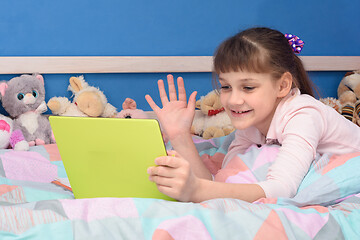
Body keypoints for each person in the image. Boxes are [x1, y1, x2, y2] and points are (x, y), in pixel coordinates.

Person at [145, 27, 360, 203]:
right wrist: (180, 136)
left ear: (283, 86)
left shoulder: (303, 116)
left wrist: (198, 190)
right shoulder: (250, 123)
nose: (233, 100)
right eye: (227, 87)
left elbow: (281, 188)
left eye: (248, 88)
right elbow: (219, 184)